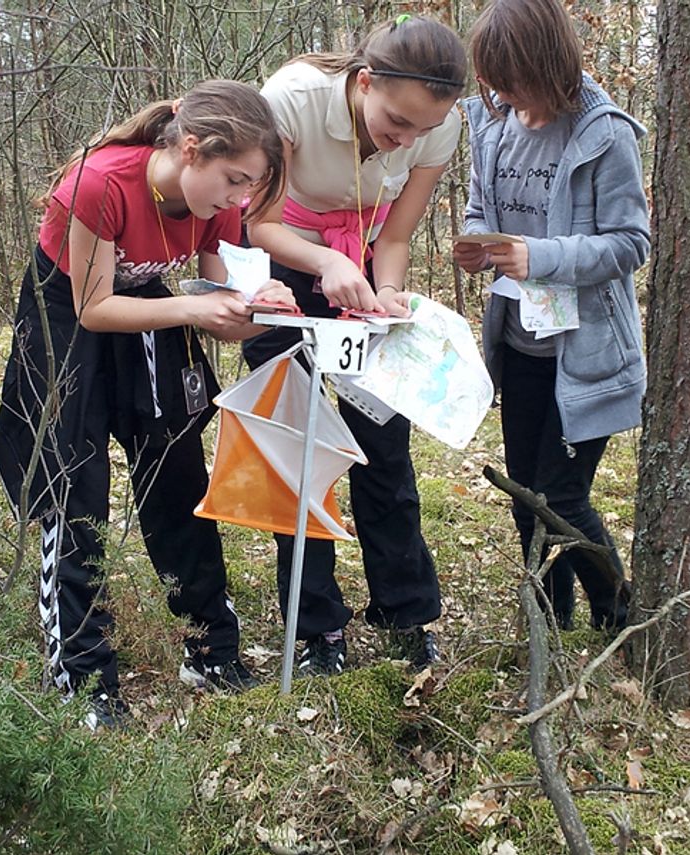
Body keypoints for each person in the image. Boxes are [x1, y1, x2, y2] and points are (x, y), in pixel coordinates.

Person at [0, 80, 294, 728]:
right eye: (234, 179)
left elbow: (216, 292)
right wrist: (193, 305)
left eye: (249, 185)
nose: (240, 198)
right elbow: (93, 307)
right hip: (66, 312)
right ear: (192, 149)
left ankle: (211, 644)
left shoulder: (215, 200)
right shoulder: (99, 182)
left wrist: (252, 309)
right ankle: (85, 678)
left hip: (153, 305)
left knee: (176, 466)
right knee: (73, 479)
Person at [243, 15, 468, 675]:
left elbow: (394, 236)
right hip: (285, 267)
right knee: (299, 444)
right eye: (396, 122)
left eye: (422, 130)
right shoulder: (293, 98)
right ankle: (314, 627)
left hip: (362, 271)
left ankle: (406, 612)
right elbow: (258, 220)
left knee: (383, 443)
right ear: (365, 81)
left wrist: (388, 291)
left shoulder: (440, 125)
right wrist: (321, 267)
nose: (406, 139)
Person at [453, 0, 649, 631]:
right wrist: (479, 246)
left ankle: (617, 613)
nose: (504, 94)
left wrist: (539, 255)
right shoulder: (494, 124)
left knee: (560, 496)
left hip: (584, 350)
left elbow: (630, 244)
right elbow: (483, 209)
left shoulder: (604, 134)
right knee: (522, 496)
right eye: (494, 82)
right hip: (519, 343)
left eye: (513, 80)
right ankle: (549, 622)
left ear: (547, 63)